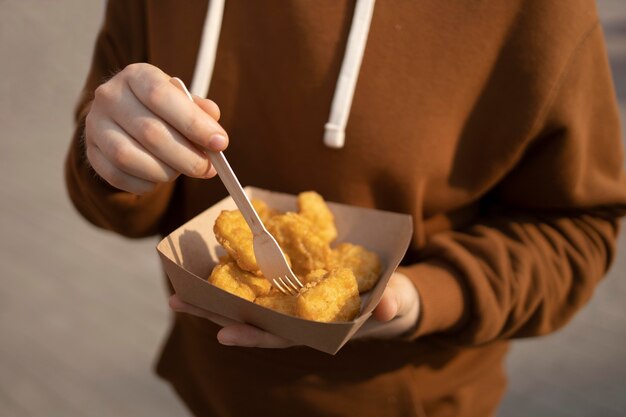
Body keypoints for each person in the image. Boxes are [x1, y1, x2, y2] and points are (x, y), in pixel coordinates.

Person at [64, 1, 626, 416]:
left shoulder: (539, 14)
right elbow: (112, 206)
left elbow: (576, 229)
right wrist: (113, 157)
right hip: (210, 393)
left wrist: (424, 297)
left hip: (414, 402)